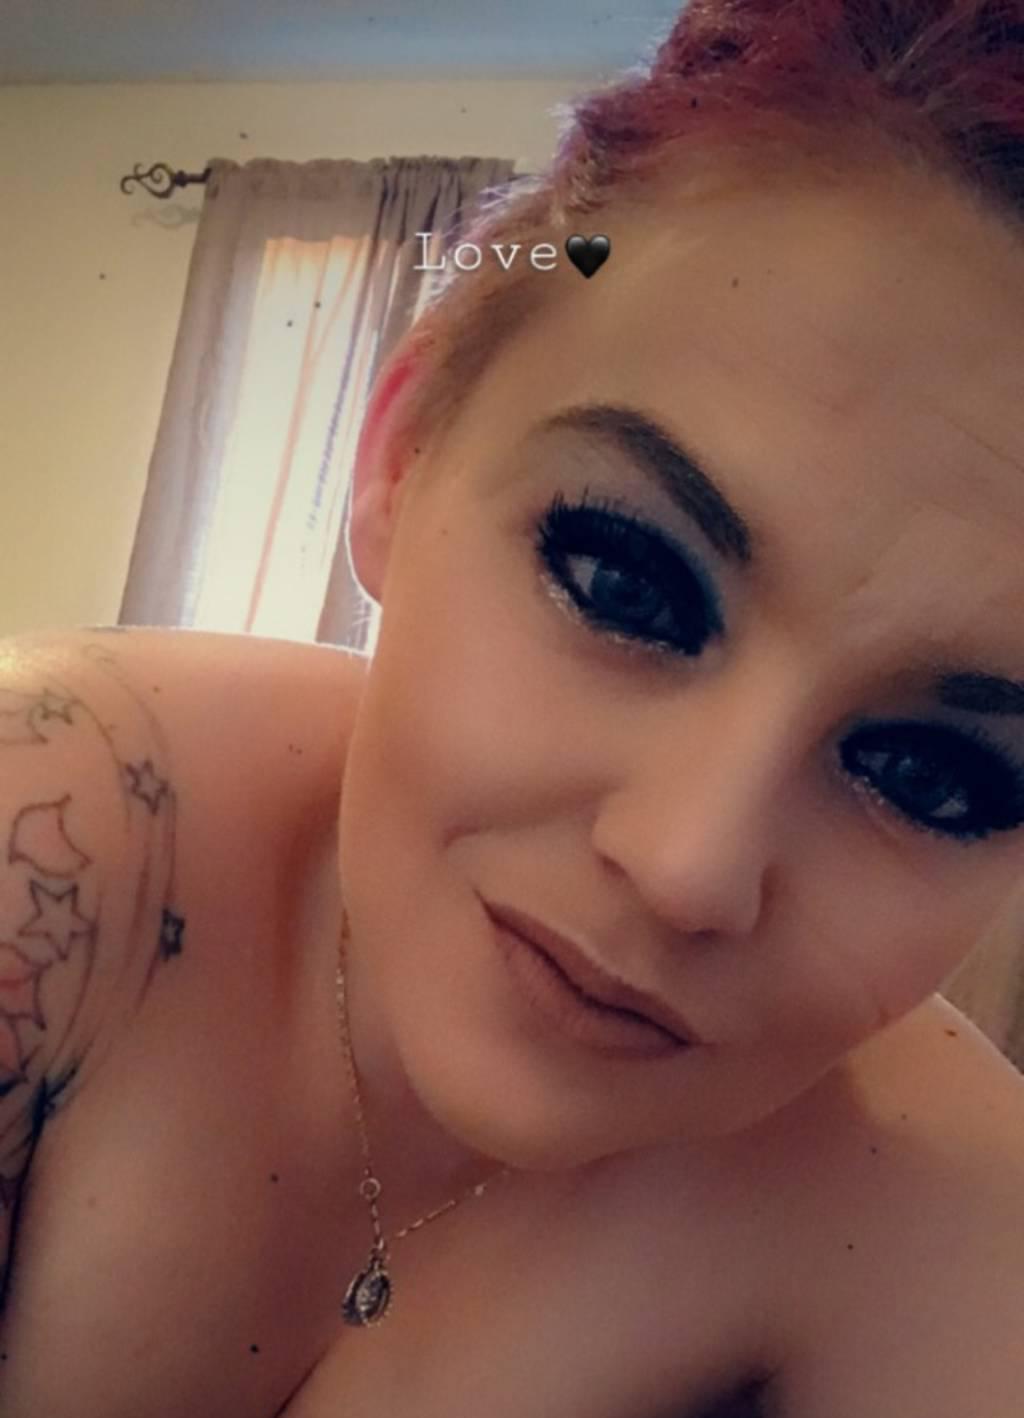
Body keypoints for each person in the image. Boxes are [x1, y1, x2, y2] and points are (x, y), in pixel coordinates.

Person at [2, 0, 1024, 1413]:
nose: (687, 865)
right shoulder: (51, 841)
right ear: (400, 451)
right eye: (622, 582)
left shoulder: (957, 1227)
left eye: (931, 774)